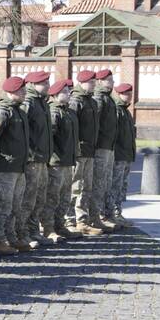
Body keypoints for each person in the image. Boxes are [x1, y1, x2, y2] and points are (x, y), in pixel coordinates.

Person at [0, 76, 30, 254]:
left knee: (15, 205)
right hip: (4, 167)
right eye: (21, 90)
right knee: (2, 205)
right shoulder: (2, 112)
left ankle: (11, 237)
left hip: (18, 167)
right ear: (11, 91)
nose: (24, 93)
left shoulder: (19, 111)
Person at [17, 71, 53, 248]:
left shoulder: (42, 102)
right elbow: (21, 130)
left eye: (47, 82)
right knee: (28, 198)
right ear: (33, 84)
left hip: (42, 157)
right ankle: (22, 233)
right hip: (31, 158)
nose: (47, 85)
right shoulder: (28, 102)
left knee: (39, 197)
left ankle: (33, 231)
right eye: (44, 83)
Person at [67, 70, 103, 235]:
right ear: (82, 83)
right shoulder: (76, 101)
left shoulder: (91, 101)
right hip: (79, 152)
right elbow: (71, 128)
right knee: (75, 186)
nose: (94, 85)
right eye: (91, 82)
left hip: (90, 150)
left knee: (86, 186)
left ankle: (83, 220)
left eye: (95, 82)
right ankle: (70, 220)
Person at [45, 80, 79, 243]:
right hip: (56, 162)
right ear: (55, 95)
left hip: (67, 161)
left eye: (68, 91)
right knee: (52, 196)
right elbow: (49, 138)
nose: (68, 94)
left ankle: (60, 225)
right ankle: (48, 228)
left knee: (65, 196)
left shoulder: (68, 112)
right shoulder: (53, 112)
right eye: (64, 92)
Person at [91, 69, 119, 231]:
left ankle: (102, 214)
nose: (112, 83)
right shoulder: (99, 99)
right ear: (100, 82)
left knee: (106, 182)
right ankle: (97, 215)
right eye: (109, 80)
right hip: (100, 147)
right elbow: (95, 124)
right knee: (99, 182)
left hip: (109, 146)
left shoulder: (109, 98)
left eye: (112, 80)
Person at [106, 83, 136, 227]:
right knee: (115, 186)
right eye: (126, 93)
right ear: (119, 94)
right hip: (118, 155)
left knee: (122, 186)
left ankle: (118, 213)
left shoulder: (126, 111)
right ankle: (112, 213)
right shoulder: (117, 110)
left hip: (126, 155)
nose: (129, 96)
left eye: (130, 93)